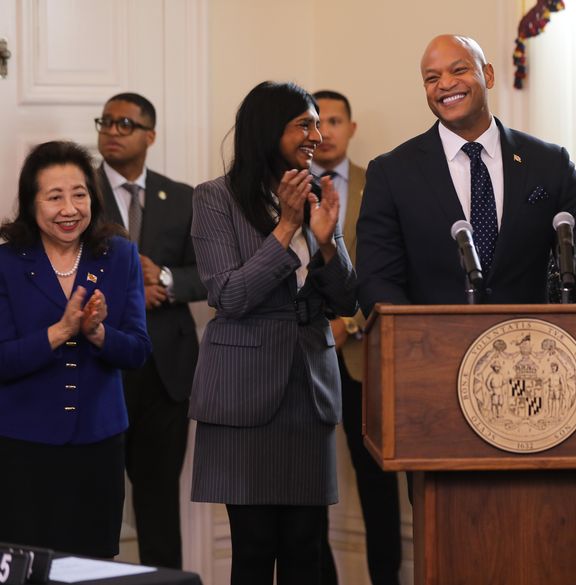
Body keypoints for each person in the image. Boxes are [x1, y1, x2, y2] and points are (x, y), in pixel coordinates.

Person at [188, 81, 357, 585]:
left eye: (320, 123)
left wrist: (328, 244)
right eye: (304, 124)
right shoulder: (214, 199)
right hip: (245, 392)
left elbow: (346, 300)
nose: (317, 134)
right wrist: (286, 227)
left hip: (309, 391)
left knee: (307, 545)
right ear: (269, 129)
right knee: (255, 547)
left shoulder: (313, 193)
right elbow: (231, 296)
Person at [356, 34, 576, 316]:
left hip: (530, 346)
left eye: (459, 70)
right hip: (433, 350)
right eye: (432, 78)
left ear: (488, 75)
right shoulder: (392, 173)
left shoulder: (549, 163)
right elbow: (378, 279)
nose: (445, 84)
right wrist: (415, 341)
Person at [0, 141, 151, 557]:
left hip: (98, 446)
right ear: (32, 203)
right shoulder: (7, 262)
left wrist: (99, 334)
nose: (69, 209)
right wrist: (61, 330)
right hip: (22, 448)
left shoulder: (119, 255)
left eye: (79, 194)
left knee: (94, 561)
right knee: (27, 563)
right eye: (54, 197)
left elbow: (138, 350)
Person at [95, 92, 207, 569]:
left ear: (150, 135)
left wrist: (163, 278)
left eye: (125, 123)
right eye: (106, 122)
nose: (112, 131)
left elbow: (208, 273)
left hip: (166, 374)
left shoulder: (181, 196)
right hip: (99, 367)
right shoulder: (78, 193)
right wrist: (132, 291)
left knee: (159, 504)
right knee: (95, 502)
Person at [311, 89, 402, 585]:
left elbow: (388, 270)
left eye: (334, 120)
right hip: (302, 359)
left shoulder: (380, 183)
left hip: (364, 360)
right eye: (315, 121)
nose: (324, 131)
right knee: (308, 485)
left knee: (377, 487)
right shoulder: (285, 189)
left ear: (352, 127)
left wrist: (347, 324)